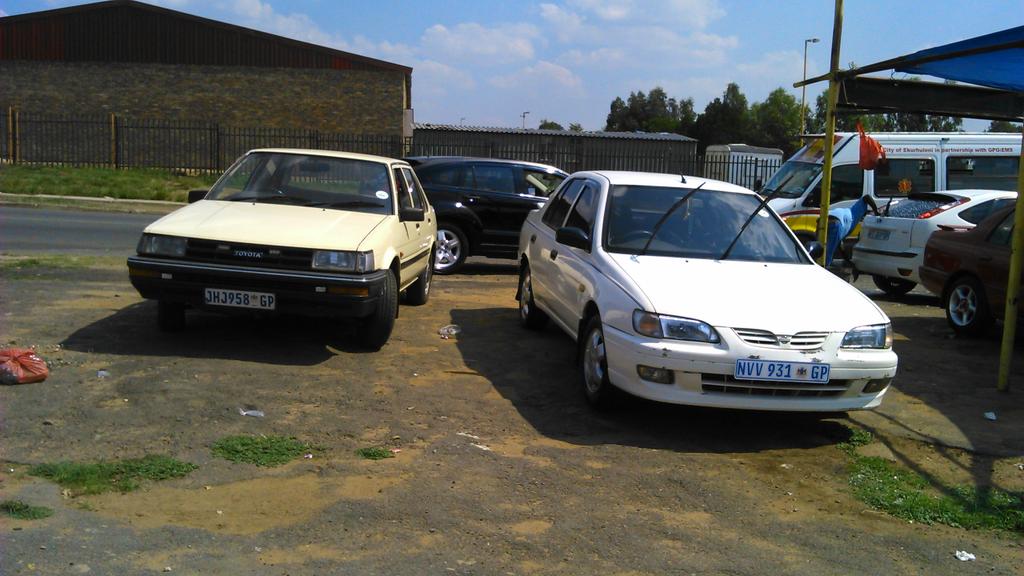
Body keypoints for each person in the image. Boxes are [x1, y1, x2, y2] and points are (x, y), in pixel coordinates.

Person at [825, 195, 879, 267]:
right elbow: (867, 197)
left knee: (819, 250)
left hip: (823, 219)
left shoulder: (850, 211)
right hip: (836, 222)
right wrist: (876, 212)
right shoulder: (855, 213)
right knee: (827, 256)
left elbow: (840, 247)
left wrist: (849, 262)